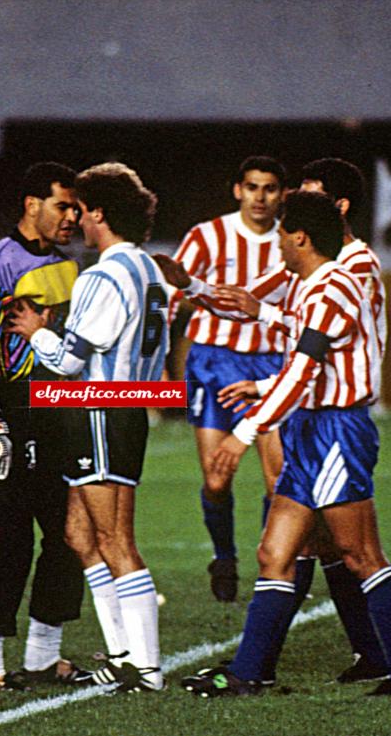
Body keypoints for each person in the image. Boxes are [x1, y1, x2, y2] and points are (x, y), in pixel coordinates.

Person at [179, 191, 391, 697]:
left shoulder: (336, 286)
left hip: (338, 431)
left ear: (300, 237)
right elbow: (303, 341)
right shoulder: (312, 286)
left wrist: (246, 430)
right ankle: (250, 673)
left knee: (359, 554)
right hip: (308, 431)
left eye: (282, 233)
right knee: (275, 554)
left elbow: (305, 366)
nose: (277, 243)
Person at [8, 162, 169, 693]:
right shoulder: (148, 269)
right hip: (125, 409)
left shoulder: (104, 274)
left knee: (114, 538)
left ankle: (145, 668)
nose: (75, 217)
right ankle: (123, 654)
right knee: (81, 535)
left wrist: (35, 332)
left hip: (100, 410)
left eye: (81, 209)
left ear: (100, 214)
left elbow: (70, 362)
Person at [0, 162, 90, 692]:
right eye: (63, 205)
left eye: (76, 208)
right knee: (4, 541)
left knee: (68, 535)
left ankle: (42, 658)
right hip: (7, 412)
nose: (71, 217)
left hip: (54, 408)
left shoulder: (66, 264)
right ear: (32, 204)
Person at [167, 155, 288, 602]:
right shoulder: (206, 236)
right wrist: (160, 358)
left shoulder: (292, 243)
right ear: (238, 190)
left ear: (282, 194)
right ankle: (224, 556)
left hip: (271, 366)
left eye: (270, 188)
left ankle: (268, 564)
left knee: (277, 483)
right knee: (217, 479)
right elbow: (171, 294)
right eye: (252, 187)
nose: (260, 196)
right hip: (216, 362)